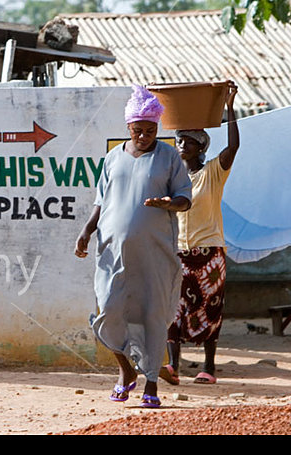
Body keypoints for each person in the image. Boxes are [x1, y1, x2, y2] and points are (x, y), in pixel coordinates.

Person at [74, 85, 192, 408]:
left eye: (151, 130)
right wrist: (86, 232)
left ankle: (151, 384)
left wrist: (171, 203)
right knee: (109, 311)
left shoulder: (168, 157)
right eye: (138, 130)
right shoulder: (112, 158)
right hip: (113, 254)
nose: (144, 136)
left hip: (153, 256)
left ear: (157, 128)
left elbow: (185, 198)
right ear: (129, 127)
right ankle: (126, 371)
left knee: (152, 315)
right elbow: (101, 202)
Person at [159, 81, 239, 386]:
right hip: (178, 250)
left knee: (209, 307)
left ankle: (209, 367)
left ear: (200, 147)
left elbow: (233, 148)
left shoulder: (213, 173)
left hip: (209, 252)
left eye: (188, 142)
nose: (181, 146)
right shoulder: (172, 180)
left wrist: (229, 108)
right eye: (179, 141)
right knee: (173, 308)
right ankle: (173, 367)